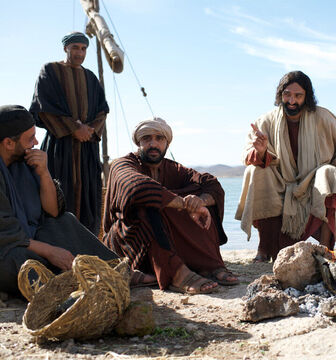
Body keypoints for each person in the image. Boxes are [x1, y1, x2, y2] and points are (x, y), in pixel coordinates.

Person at [235, 71, 336, 262]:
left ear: (307, 97)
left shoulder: (324, 118)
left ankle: (326, 249)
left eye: (298, 95)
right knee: (256, 171)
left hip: (315, 184)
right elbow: (248, 155)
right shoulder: (266, 122)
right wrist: (261, 152)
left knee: (329, 173)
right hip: (281, 183)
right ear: (280, 95)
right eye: (287, 94)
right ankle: (264, 248)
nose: (292, 101)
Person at [102, 117, 238, 294]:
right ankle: (177, 274)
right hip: (128, 242)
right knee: (148, 207)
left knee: (204, 206)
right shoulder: (123, 164)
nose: (153, 144)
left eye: (159, 138)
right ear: (138, 142)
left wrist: (200, 202)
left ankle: (208, 266)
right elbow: (137, 186)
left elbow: (211, 184)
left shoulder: (174, 169)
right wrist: (183, 203)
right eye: (147, 139)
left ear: (167, 142)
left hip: (162, 245)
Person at [0, 105, 119, 296]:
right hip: (7, 248)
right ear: (8, 143)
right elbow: (5, 234)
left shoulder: (24, 162)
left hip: (29, 239)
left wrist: (44, 173)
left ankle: (115, 270)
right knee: (19, 262)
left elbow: (53, 212)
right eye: (30, 138)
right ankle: (61, 293)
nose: (36, 142)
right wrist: (49, 251)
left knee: (64, 222)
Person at [30, 32, 108, 236]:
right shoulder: (50, 71)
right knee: (57, 192)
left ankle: (87, 249)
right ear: (66, 48)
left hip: (88, 149)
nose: (80, 53)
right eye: (75, 48)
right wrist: (74, 129)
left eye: (83, 49)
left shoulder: (90, 77)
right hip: (60, 146)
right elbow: (43, 106)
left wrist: (89, 131)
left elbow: (102, 110)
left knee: (89, 199)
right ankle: (57, 246)